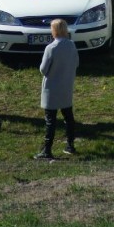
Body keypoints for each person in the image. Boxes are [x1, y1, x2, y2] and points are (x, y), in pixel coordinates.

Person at [34, 18, 79, 160]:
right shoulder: (71, 45)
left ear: (54, 31)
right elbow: (76, 63)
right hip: (66, 86)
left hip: (52, 89)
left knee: (50, 120)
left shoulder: (51, 48)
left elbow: (43, 69)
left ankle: (47, 150)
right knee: (68, 117)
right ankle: (70, 145)